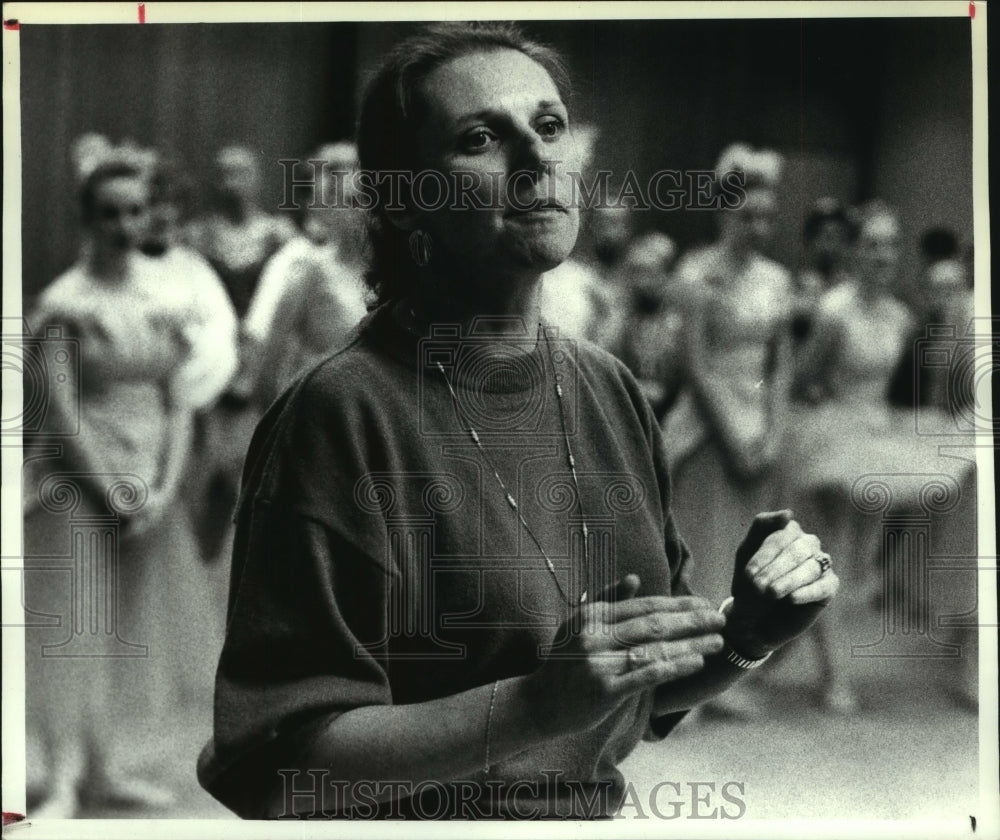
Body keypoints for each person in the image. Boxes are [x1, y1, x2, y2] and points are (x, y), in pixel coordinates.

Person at [197, 23, 839, 820]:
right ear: (402, 199)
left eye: (549, 126)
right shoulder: (339, 416)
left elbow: (638, 684)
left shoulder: (611, 390)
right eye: (479, 138)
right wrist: (534, 707)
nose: (536, 162)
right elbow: (274, 765)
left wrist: (749, 634)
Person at [23, 155, 209, 816]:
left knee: (120, 626)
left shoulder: (164, 301)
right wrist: (111, 491)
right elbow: (62, 413)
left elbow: (180, 404)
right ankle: (64, 777)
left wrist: (161, 488)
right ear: (87, 220)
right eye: (110, 213)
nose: (125, 225)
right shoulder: (68, 304)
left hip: (147, 486)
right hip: (79, 486)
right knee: (74, 628)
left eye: (135, 211)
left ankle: (103, 771)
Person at [786, 202, 977, 711]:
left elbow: (909, 387)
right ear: (853, 250)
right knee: (833, 556)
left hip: (880, 438)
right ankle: (835, 673)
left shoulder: (899, 315)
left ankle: (828, 658)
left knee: (866, 562)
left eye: (891, 245)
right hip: (835, 438)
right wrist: (828, 418)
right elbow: (801, 379)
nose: (882, 255)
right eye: (871, 244)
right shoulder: (834, 310)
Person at [661, 144, 794, 615]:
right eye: (748, 216)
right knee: (706, 542)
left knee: (748, 542)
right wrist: (735, 441)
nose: (758, 229)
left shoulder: (777, 279)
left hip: (759, 419)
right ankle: (695, 663)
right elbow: (696, 366)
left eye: (767, 218)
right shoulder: (697, 272)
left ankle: (730, 654)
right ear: (724, 211)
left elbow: (781, 366)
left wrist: (773, 434)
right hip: (710, 419)